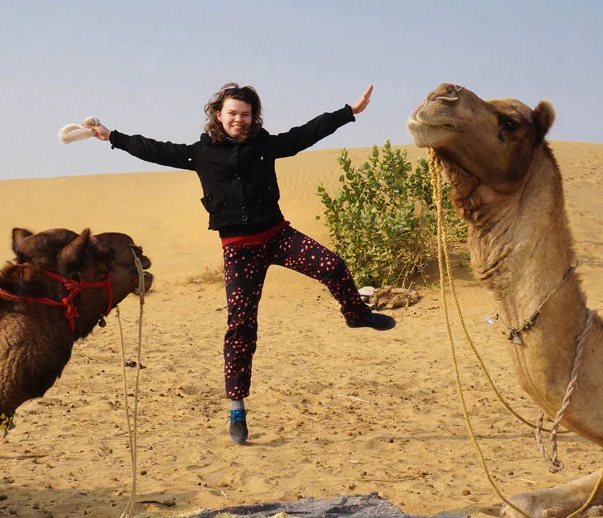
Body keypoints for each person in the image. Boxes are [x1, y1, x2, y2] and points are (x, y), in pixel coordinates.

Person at [86, 82, 395, 444]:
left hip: (278, 236)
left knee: (333, 267)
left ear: (253, 117)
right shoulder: (201, 153)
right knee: (241, 329)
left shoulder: (265, 145)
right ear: (218, 115)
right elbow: (153, 149)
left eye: (245, 114)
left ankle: (356, 314)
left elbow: (305, 134)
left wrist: (348, 113)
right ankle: (237, 407)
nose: (239, 119)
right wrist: (112, 136)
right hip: (239, 250)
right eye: (232, 113)